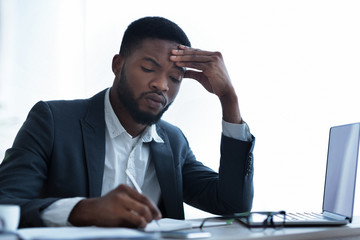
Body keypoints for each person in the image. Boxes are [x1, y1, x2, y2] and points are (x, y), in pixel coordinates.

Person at [0, 16, 255, 228]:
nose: (162, 85)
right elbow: (5, 204)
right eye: (148, 68)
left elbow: (233, 205)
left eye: (175, 77)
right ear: (118, 65)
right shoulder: (53, 122)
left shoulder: (172, 142)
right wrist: (82, 210)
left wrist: (228, 100)